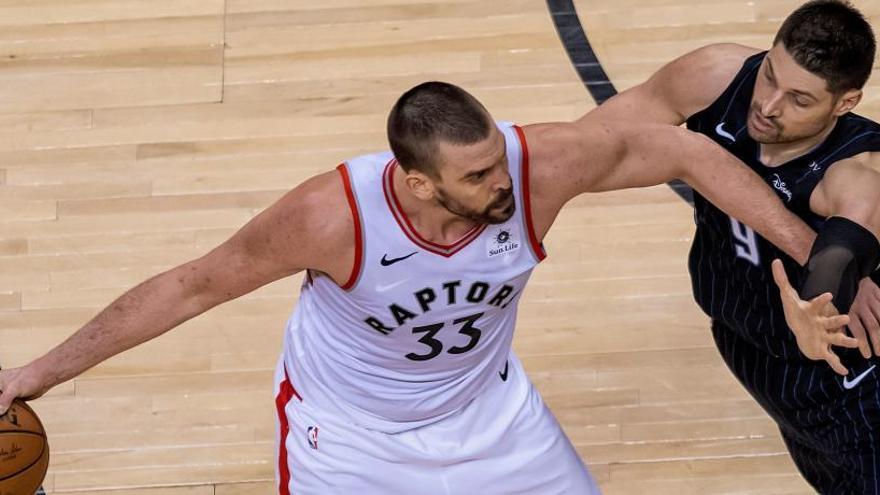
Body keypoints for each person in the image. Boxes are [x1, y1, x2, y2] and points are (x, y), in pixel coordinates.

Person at [0, 81, 815, 494]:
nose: (504, 182)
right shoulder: (334, 216)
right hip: (349, 438)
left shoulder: (536, 170)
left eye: (499, 156)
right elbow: (190, 287)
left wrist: (815, 255)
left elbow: (687, 153)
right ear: (418, 184)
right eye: (478, 174)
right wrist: (33, 374)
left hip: (490, 413)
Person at [586, 1, 880, 492]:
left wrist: (815, 309)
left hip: (844, 372)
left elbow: (838, 257)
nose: (768, 105)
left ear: (844, 103)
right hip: (745, 340)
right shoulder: (715, 76)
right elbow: (593, 141)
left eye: (800, 100)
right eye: (770, 76)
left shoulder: (860, 171)